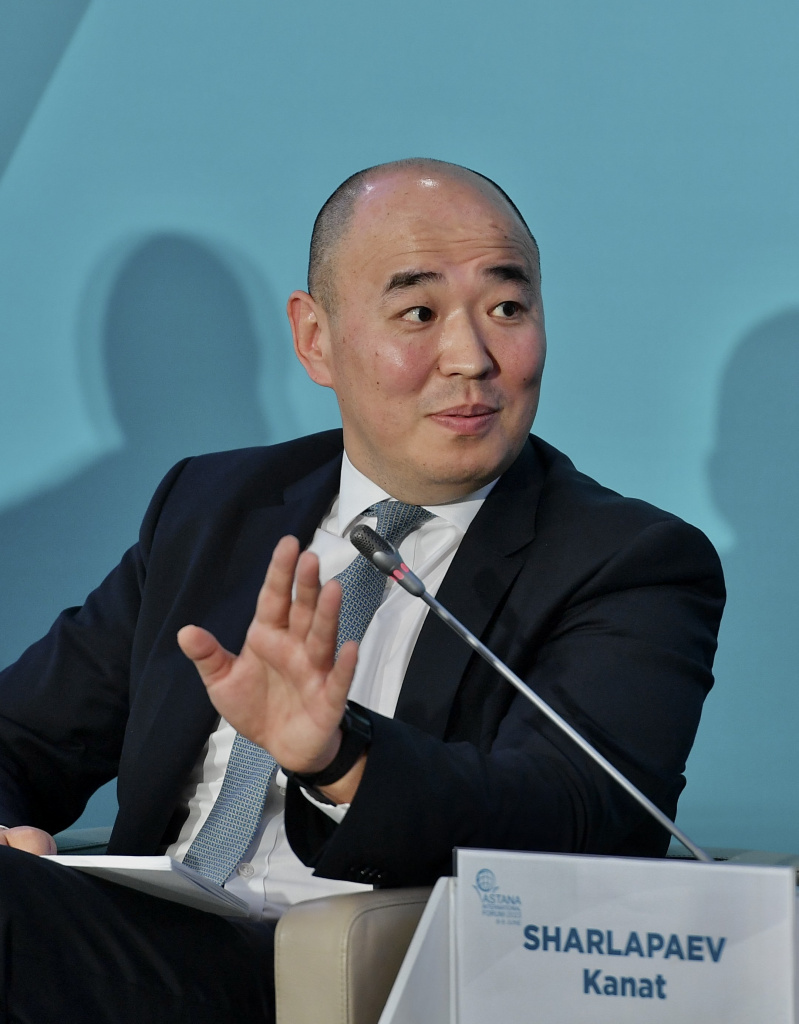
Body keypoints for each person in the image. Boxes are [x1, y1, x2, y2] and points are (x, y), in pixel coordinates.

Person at [0, 159, 725, 1021]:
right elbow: (21, 735)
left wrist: (340, 759)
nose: (472, 358)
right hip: (143, 940)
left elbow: (579, 818)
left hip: (354, 977)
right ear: (315, 340)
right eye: (418, 314)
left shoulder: (629, 560)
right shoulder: (213, 507)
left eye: (507, 308)